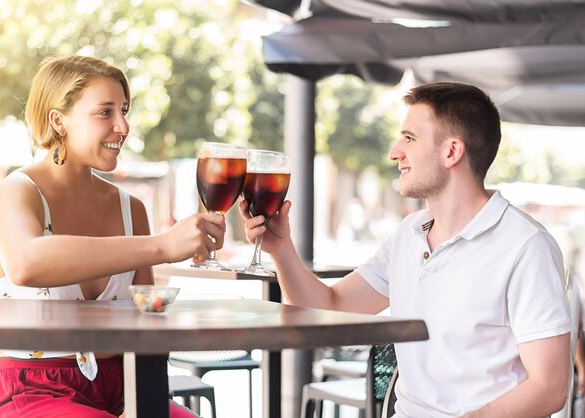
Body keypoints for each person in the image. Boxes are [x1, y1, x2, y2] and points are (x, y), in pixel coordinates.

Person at [240, 82, 571, 417]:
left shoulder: (526, 247)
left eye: (409, 138)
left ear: (452, 152)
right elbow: (329, 307)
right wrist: (281, 250)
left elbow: (550, 388)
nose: (395, 151)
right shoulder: (409, 234)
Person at [0, 55, 225, 417]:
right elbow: (25, 263)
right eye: (105, 112)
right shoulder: (16, 191)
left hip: (124, 385)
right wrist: (162, 245)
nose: (124, 125)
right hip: (33, 390)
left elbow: (144, 319)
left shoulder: (131, 209)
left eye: (124, 110)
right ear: (58, 120)